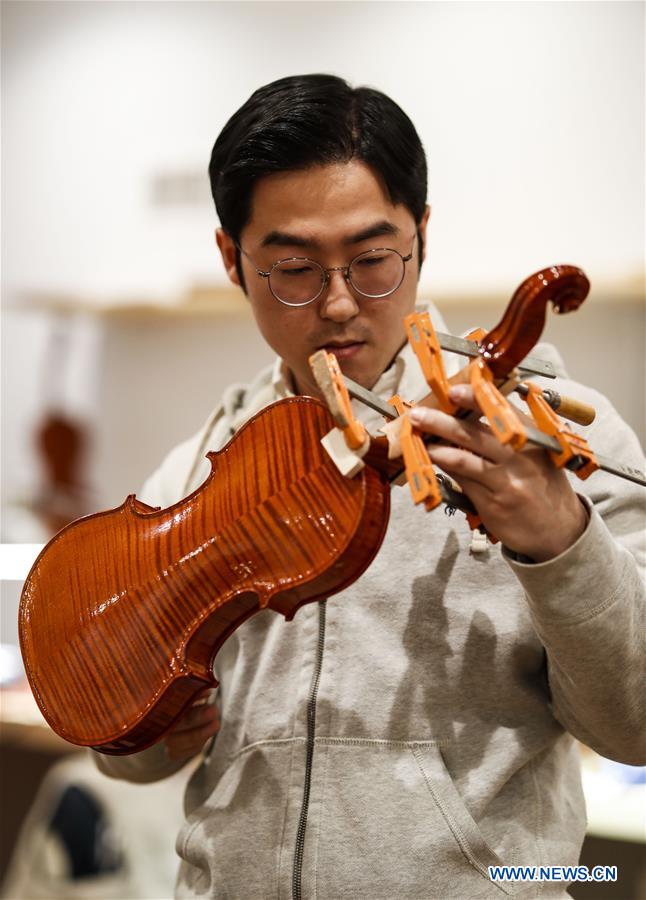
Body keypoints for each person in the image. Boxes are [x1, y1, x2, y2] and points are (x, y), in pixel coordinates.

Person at [94, 74, 645, 899]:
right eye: (292, 269)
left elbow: (633, 727)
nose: (340, 304)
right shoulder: (199, 468)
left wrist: (561, 544)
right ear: (230, 260)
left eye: (372, 261)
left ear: (422, 235)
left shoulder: (551, 436)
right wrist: (151, 728)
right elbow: (125, 752)